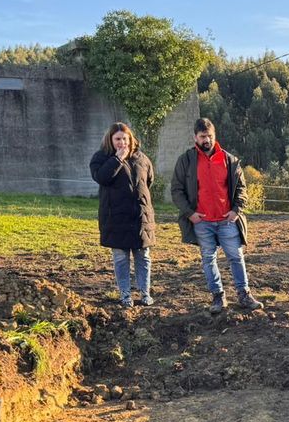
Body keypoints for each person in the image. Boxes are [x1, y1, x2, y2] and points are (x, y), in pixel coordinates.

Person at [171, 117, 263, 314]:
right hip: (202, 221)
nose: (207, 140)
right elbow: (177, 190)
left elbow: (241, 189)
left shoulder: (230, 160)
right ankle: (218, 296)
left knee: (236, 257)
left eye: (210, 136)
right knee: (208, 259)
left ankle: (244, 294)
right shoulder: (186, 161)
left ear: (215, 136)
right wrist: (190, 213)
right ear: (195, 137)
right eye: (203, 136)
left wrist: (236, 210)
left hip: (226, 220)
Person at [89, 122, 156, 308]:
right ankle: (125, 295)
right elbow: (101, 177)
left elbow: (149, 181)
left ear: (130, 139)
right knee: (121, 258)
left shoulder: (141, 158)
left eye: (124, 139)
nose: (121, 143)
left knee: (143, 256)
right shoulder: (101, 158)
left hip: (140, 218)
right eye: (117, 139)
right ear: (110, 140)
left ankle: (145, 293)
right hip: (115, 218)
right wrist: (117, 160)